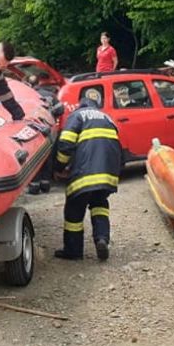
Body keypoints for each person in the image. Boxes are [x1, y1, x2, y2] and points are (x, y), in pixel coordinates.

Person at [52, 88, 121, 260]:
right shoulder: (107, 118)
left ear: (81, 102)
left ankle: (73, 251)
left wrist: (59, 167)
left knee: (74, 210)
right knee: (99, 204)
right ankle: (102, 239)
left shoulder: (77, 116)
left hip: (85, 173)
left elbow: (65, 144)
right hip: (108, 173)